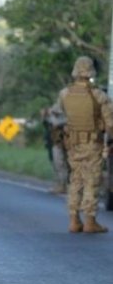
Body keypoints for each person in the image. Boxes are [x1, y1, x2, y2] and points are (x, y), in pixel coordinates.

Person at [56, 56, 113, 234]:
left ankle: (74, 220)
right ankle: (90, 221)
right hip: (92, 143)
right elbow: (110, 123)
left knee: (75, 179)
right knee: (91, 180)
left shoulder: (64, 94)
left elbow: (58, 117)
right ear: (91, 72)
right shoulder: (99, 95)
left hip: (72, 144)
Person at [41, 103, 68, 194]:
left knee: (62, 165)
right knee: (58, 164)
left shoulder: (65, 118)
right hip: (56, 143)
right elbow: (48, 124)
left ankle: (63, 185)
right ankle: (61, 185)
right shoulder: (52, 119)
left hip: (66, 143)